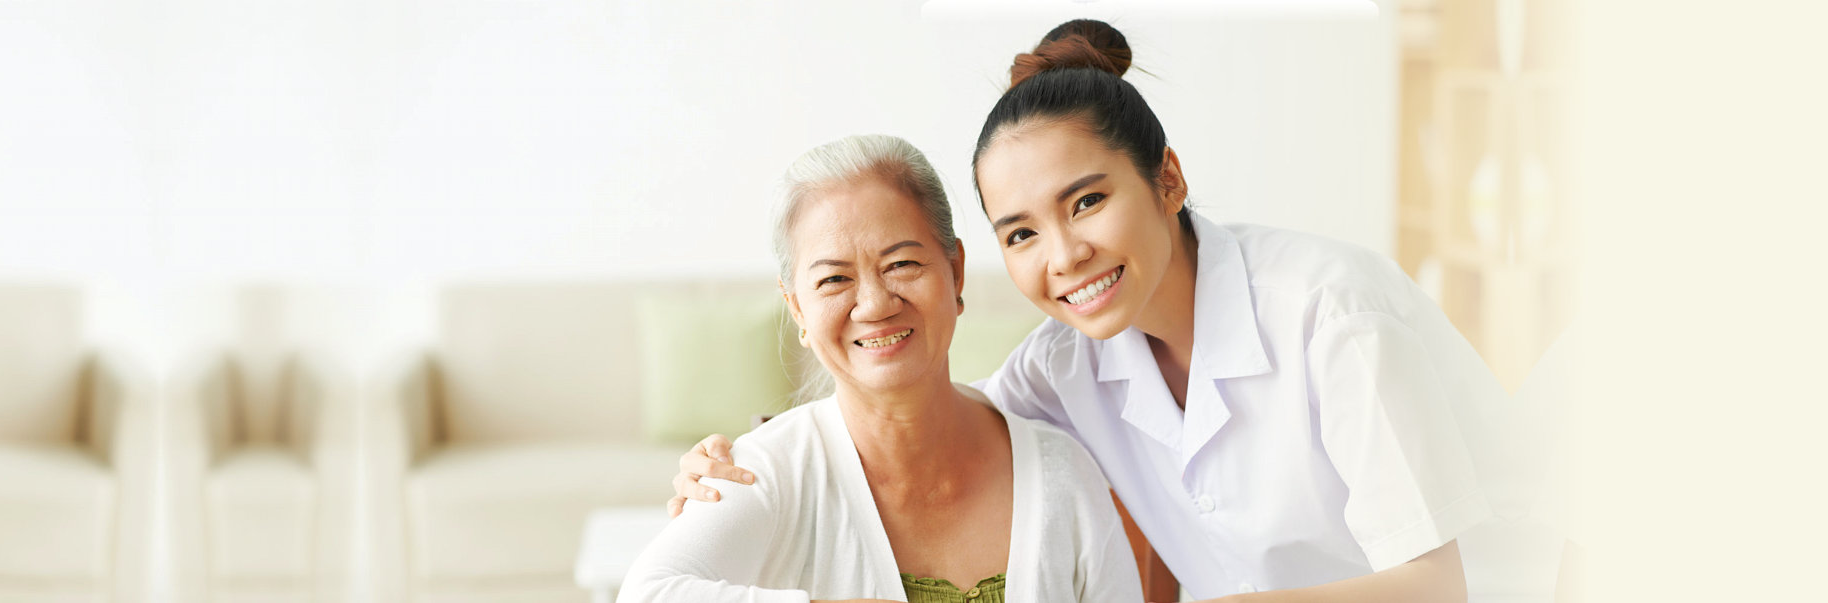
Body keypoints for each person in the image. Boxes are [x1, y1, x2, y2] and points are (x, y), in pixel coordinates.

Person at [673, 20, 1502, 603]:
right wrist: (743, 453)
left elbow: (1439, 584)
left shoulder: (1331, 312)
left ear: (1167, 179)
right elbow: (924, 415)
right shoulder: (1062, 366)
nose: (1063, 255)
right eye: (1022, 232)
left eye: (1088, 201)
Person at [619, 135, 1141, 602]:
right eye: (832, 280)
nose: (874, 304)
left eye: (902, 264)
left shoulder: (1061, 471)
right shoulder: (763, 470)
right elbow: (646, 595)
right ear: (797, 308)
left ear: (955, 272)